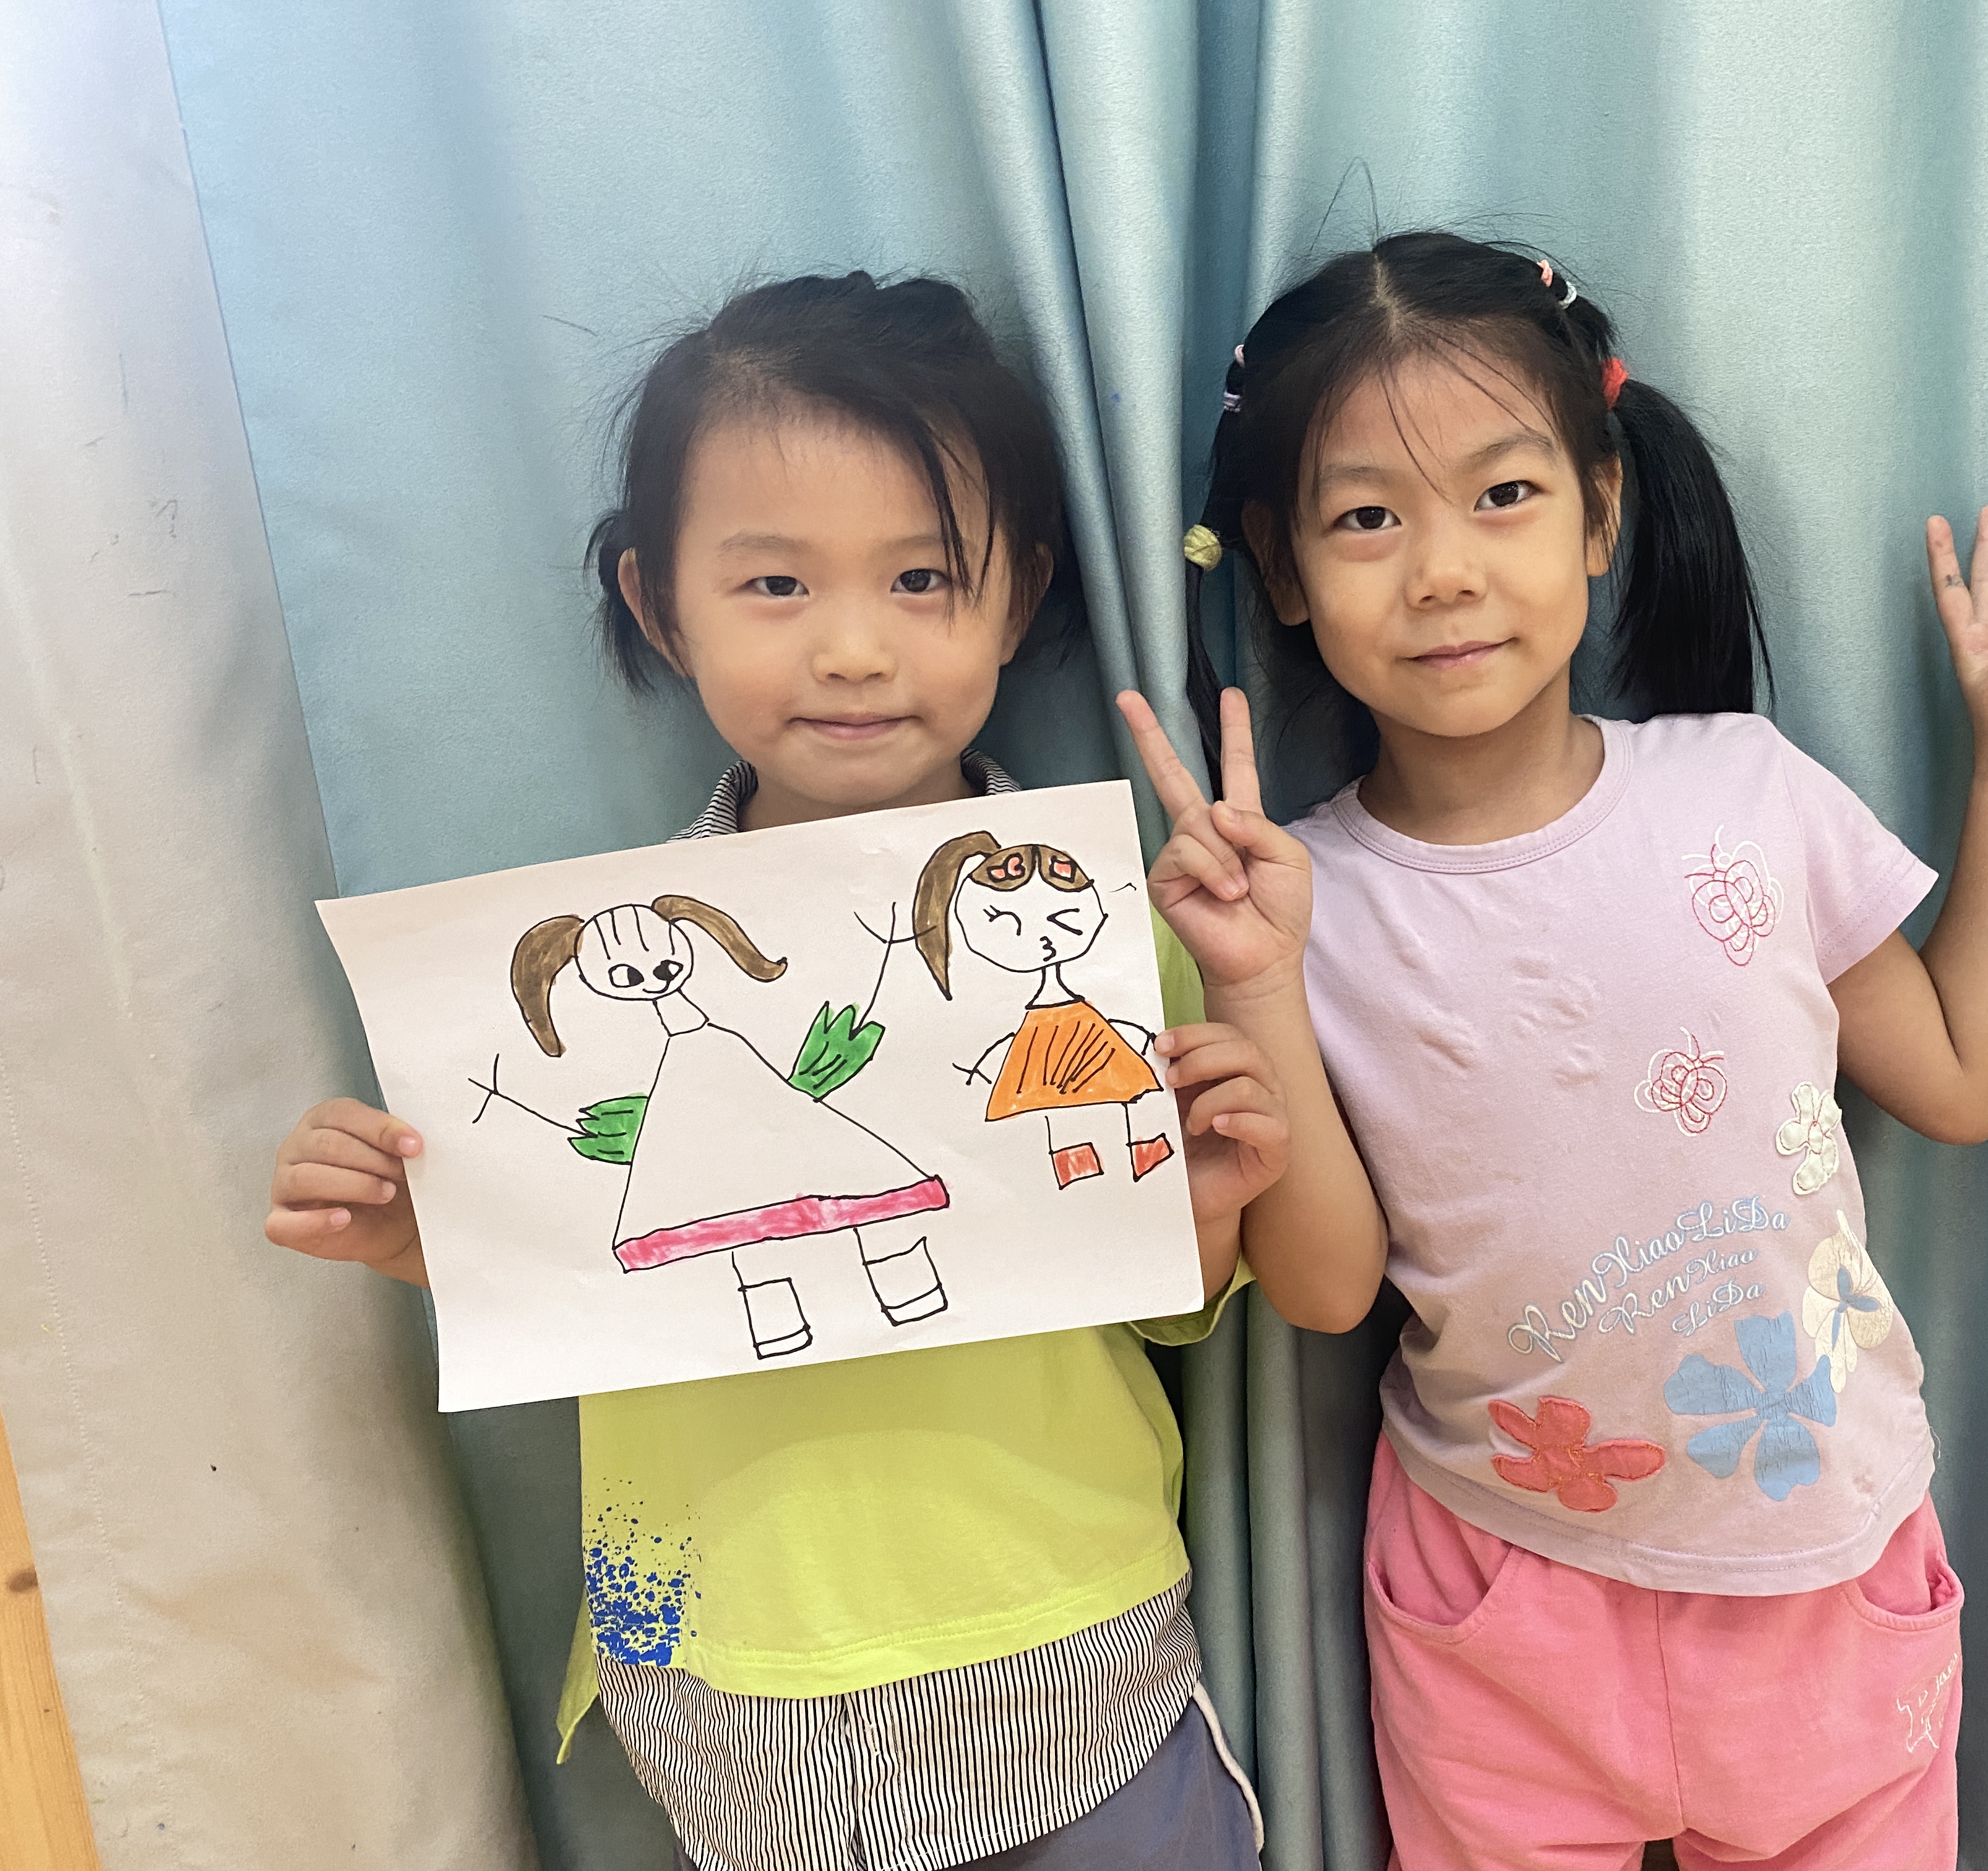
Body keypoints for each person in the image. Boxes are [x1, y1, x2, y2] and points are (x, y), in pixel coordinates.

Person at [266, 273, 1276, 1871]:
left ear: (1021, 591)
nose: (854, 648)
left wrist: (1202, 1209)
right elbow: (586, 1263)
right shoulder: (585, 976)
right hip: (734, 1688)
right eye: (776, 584)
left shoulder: (1094, 925)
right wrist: (419, 1233)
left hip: (1070, 1651)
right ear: (660, 604)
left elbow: (1165, 1298)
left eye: (924, 577)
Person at [1117, 230, 1988, 1871]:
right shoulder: (1295, 900)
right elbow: (1330, 1294)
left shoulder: (1749, 792)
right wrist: (1258, 985)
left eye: (1503, 494)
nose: (1443, 570)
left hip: (1823, 1576)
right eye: (1367, 519)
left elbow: (1961, 1074)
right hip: (1503, 1600)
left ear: (1601, 512)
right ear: (1281, 566)